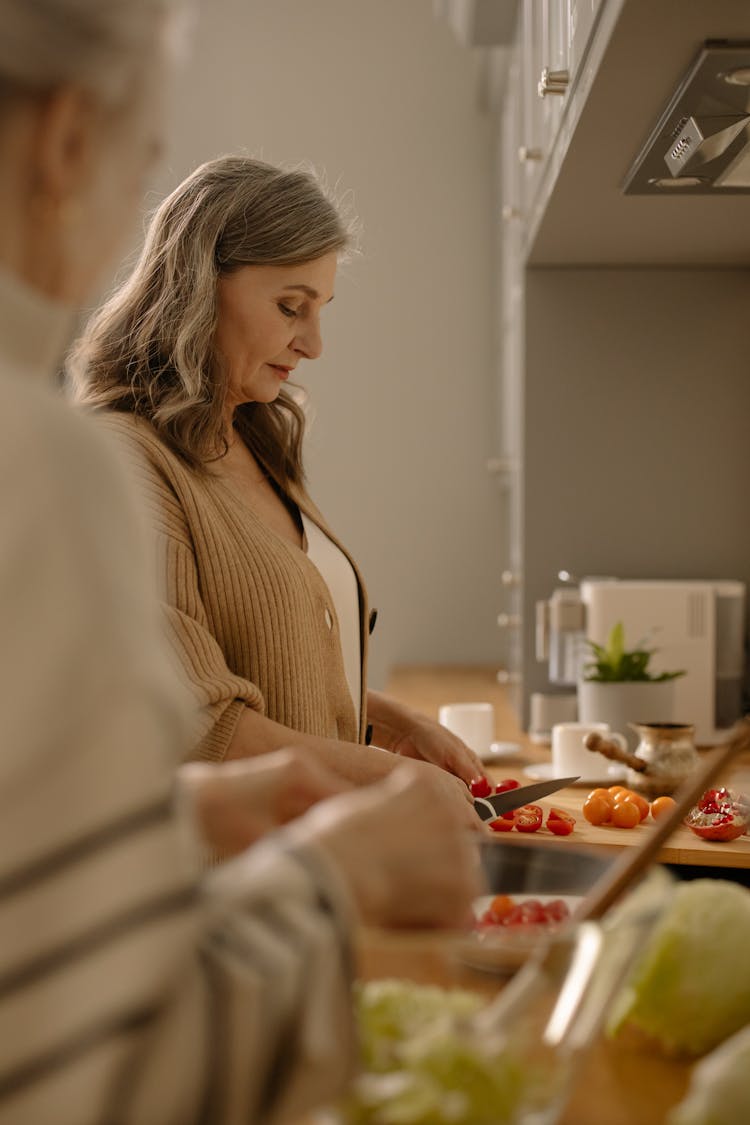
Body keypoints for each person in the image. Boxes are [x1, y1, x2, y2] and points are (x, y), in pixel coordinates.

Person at [0, 3, 483, 1123]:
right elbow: (91, 1062)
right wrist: (335, 874)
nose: (311, 341)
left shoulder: (260, 439)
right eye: (145, 155)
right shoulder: (70, 466)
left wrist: (370, 725)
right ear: (70, 140)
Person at [70, 154, 486, 820]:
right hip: (233, 887)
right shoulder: (125, 461)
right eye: (292, 306)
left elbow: (267, 664)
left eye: (320, 309)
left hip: (321, 857)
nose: (314, 343)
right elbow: (202, 724)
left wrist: (387, 720)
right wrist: (383, 776)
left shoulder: (255, 435)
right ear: (199, 286)